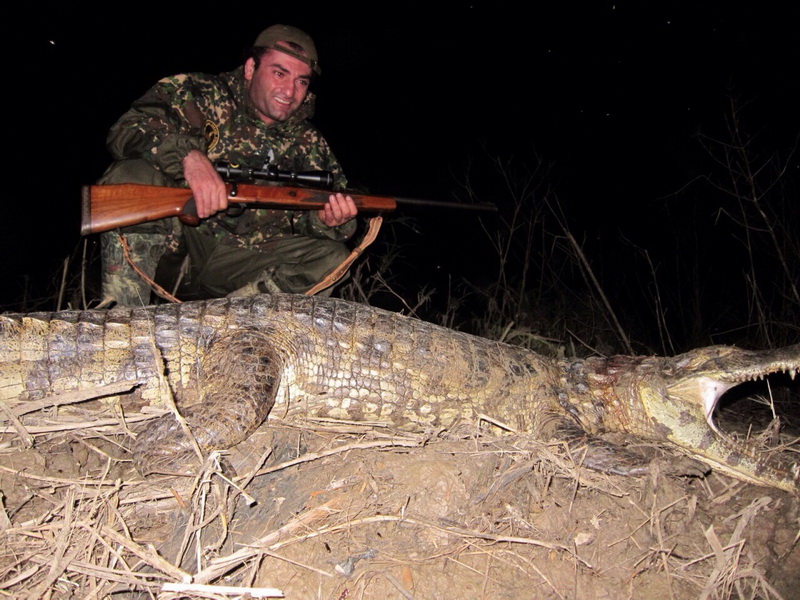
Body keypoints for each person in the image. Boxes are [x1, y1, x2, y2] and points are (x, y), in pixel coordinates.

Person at [98, 24, 358, 307]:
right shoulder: (196, 92)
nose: (289, 90)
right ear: (250, 68)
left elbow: (327, 206)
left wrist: (327, 222)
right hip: (174, 248)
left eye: (302, 81)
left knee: (332, 257)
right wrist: (189, 158)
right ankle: (123, 317)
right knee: (132, 175)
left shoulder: (311, 142)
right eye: (279, 72)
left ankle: (230, 329)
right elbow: (126, 129)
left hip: (241, 269)